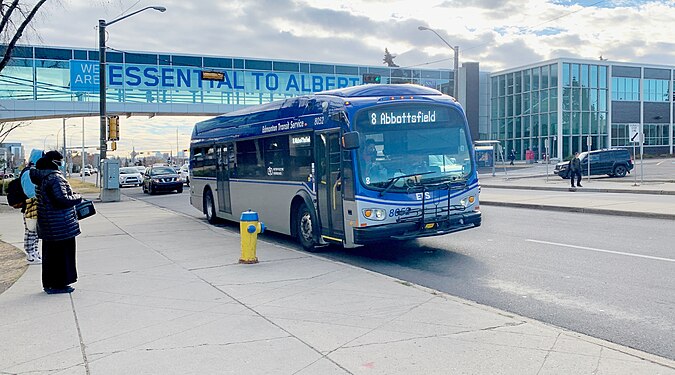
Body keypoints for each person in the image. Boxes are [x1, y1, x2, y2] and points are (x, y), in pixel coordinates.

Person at [30, 151, 82, 294]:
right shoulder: (55, 178)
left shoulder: (40, 177)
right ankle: (59, 285)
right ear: (54, 162)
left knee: (50, 256)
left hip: (48, 223)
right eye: (60, 160)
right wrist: (78, 197)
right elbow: (62, 200)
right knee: (62, 256)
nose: (61, 163)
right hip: (61, 224)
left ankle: (49, 284)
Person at [20, 149, 44, 265]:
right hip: (31, 204)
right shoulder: (29, 173)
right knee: (31, 230)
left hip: (33, 204)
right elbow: (30, 191)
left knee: (35, 230)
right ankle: (30, 254)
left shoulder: (32, 171)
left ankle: (34, 252)